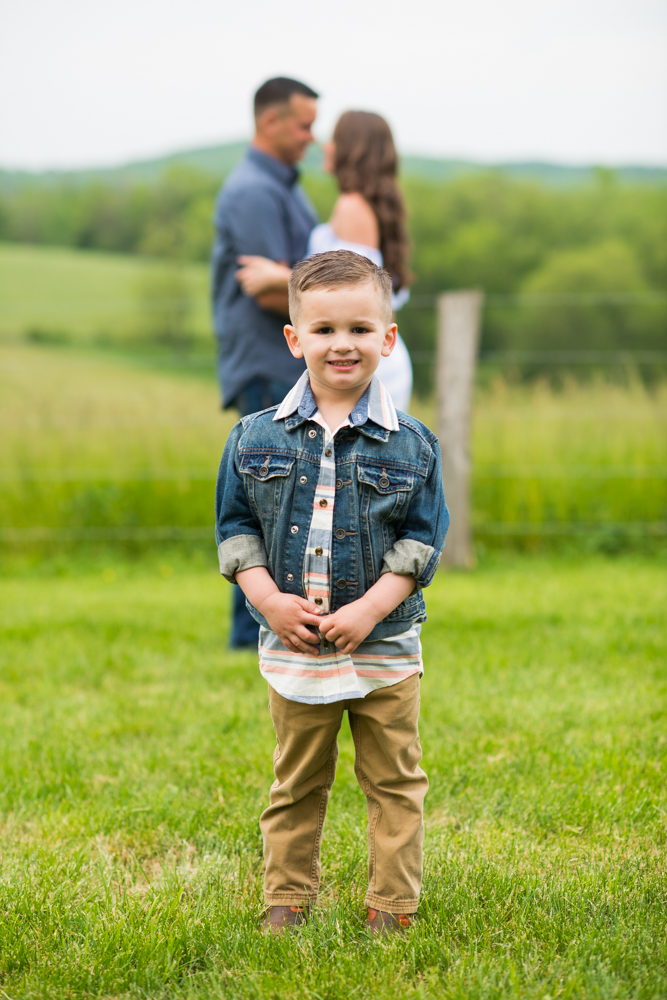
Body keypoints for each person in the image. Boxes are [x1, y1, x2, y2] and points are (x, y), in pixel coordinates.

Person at [215, 251, 448, 936]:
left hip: (384, 651)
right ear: (294, 339)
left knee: (394, 783)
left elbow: (419, 543)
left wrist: (370, 608)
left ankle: (391, 908)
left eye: (358, 328)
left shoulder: (414, 447)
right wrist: (269, 601)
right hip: (295, 651)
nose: (340, 343)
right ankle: (286, 902)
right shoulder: (252, 438)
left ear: (388, 338)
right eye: (322, 330)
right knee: (295, 784)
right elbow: (235, 531)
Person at [211, 76, 319, 648]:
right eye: (303, 124)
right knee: (265, 500)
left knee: (283, 498)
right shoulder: (255, 190)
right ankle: (246, 633)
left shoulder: (281, 185)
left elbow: (294, 281)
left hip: (285, 358)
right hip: (268, 361)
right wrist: (332, 308)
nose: (311, 136)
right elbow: (270, 290)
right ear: (269, 121)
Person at [235, 110, 414, 411]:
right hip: (360, 350)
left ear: (351, 148)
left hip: (359, 360)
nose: (325, 145)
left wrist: (280, 277)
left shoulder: (352, 206)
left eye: (333, 139)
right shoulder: (362, 204)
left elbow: (354, 289)